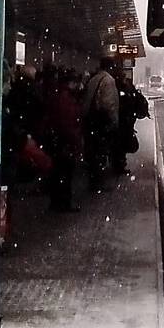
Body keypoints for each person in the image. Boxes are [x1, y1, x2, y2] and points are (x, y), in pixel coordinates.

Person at [47, 70, 84, 212]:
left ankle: (56, 202)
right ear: (71, 83)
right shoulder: (66, 98)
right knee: (65, 173)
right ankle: (63, 204)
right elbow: (68, 123)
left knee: (58, 173)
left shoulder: (58, 95)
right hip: (64, 141)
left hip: (57, 140)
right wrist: (76, 140)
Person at [83, 58, 119, 191]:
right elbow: (109, 104)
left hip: (90, 121)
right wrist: (114, 121)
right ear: (110, 67)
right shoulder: (108, 80)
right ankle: (98, 183)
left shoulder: (93, 79)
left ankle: (93, 180)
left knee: (93, 152)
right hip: (101, 121)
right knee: (101, 152)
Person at [111, 66, 150, 175]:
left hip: (121, 120)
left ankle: (118, 165)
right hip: (126, 121)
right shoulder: (127, 88)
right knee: (122, 145)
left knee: (118, 145)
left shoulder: (115, 87)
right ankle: (119, 165)